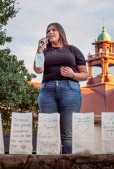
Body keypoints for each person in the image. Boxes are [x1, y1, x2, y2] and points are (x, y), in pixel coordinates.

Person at [33, 22, 88, 154]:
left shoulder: (73, 50)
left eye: (54, 30)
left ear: (60, 33)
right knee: (49, 132)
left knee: (67, 133)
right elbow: (38, 70)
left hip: (70, 90)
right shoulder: (44, 52)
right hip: (47, 91)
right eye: (48, 31)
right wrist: (39, 49)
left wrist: (73, 74)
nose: (50, 32)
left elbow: (85, 75)